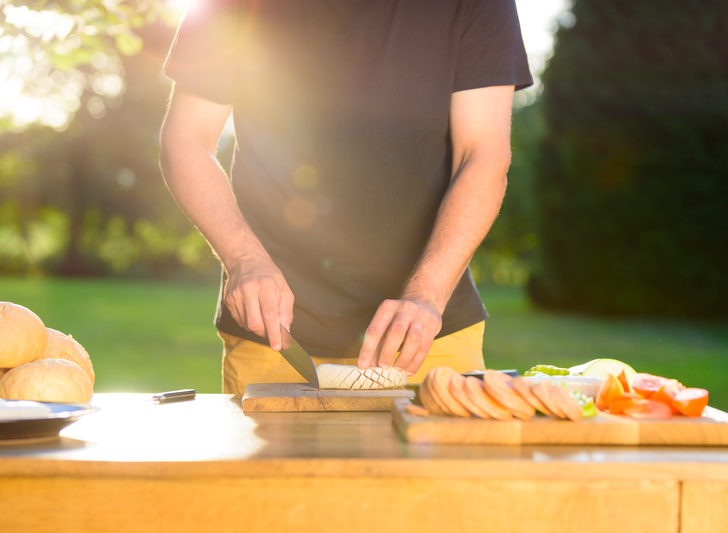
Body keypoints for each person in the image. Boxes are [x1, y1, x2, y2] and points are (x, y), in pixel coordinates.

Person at [160, 0, 533, 395]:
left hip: (426, 333)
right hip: (274, 335)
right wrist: (243, 260)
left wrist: (427, 295)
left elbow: (482, 156)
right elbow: (186, 139)